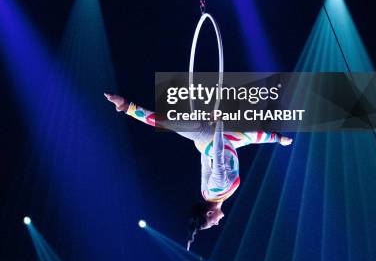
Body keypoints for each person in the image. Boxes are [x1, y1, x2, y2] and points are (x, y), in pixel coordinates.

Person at [104, 93, 292, 249]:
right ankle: (125, 106)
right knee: (165, 123)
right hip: (209, 142)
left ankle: (126, 106)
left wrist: (217, 124)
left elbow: (217, 156)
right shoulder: (209, 194)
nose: (217, 223)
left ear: (209, 214)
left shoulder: (218, 190)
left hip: (213, 140)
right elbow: (207, 161)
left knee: (165, 123)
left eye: (213, 223)